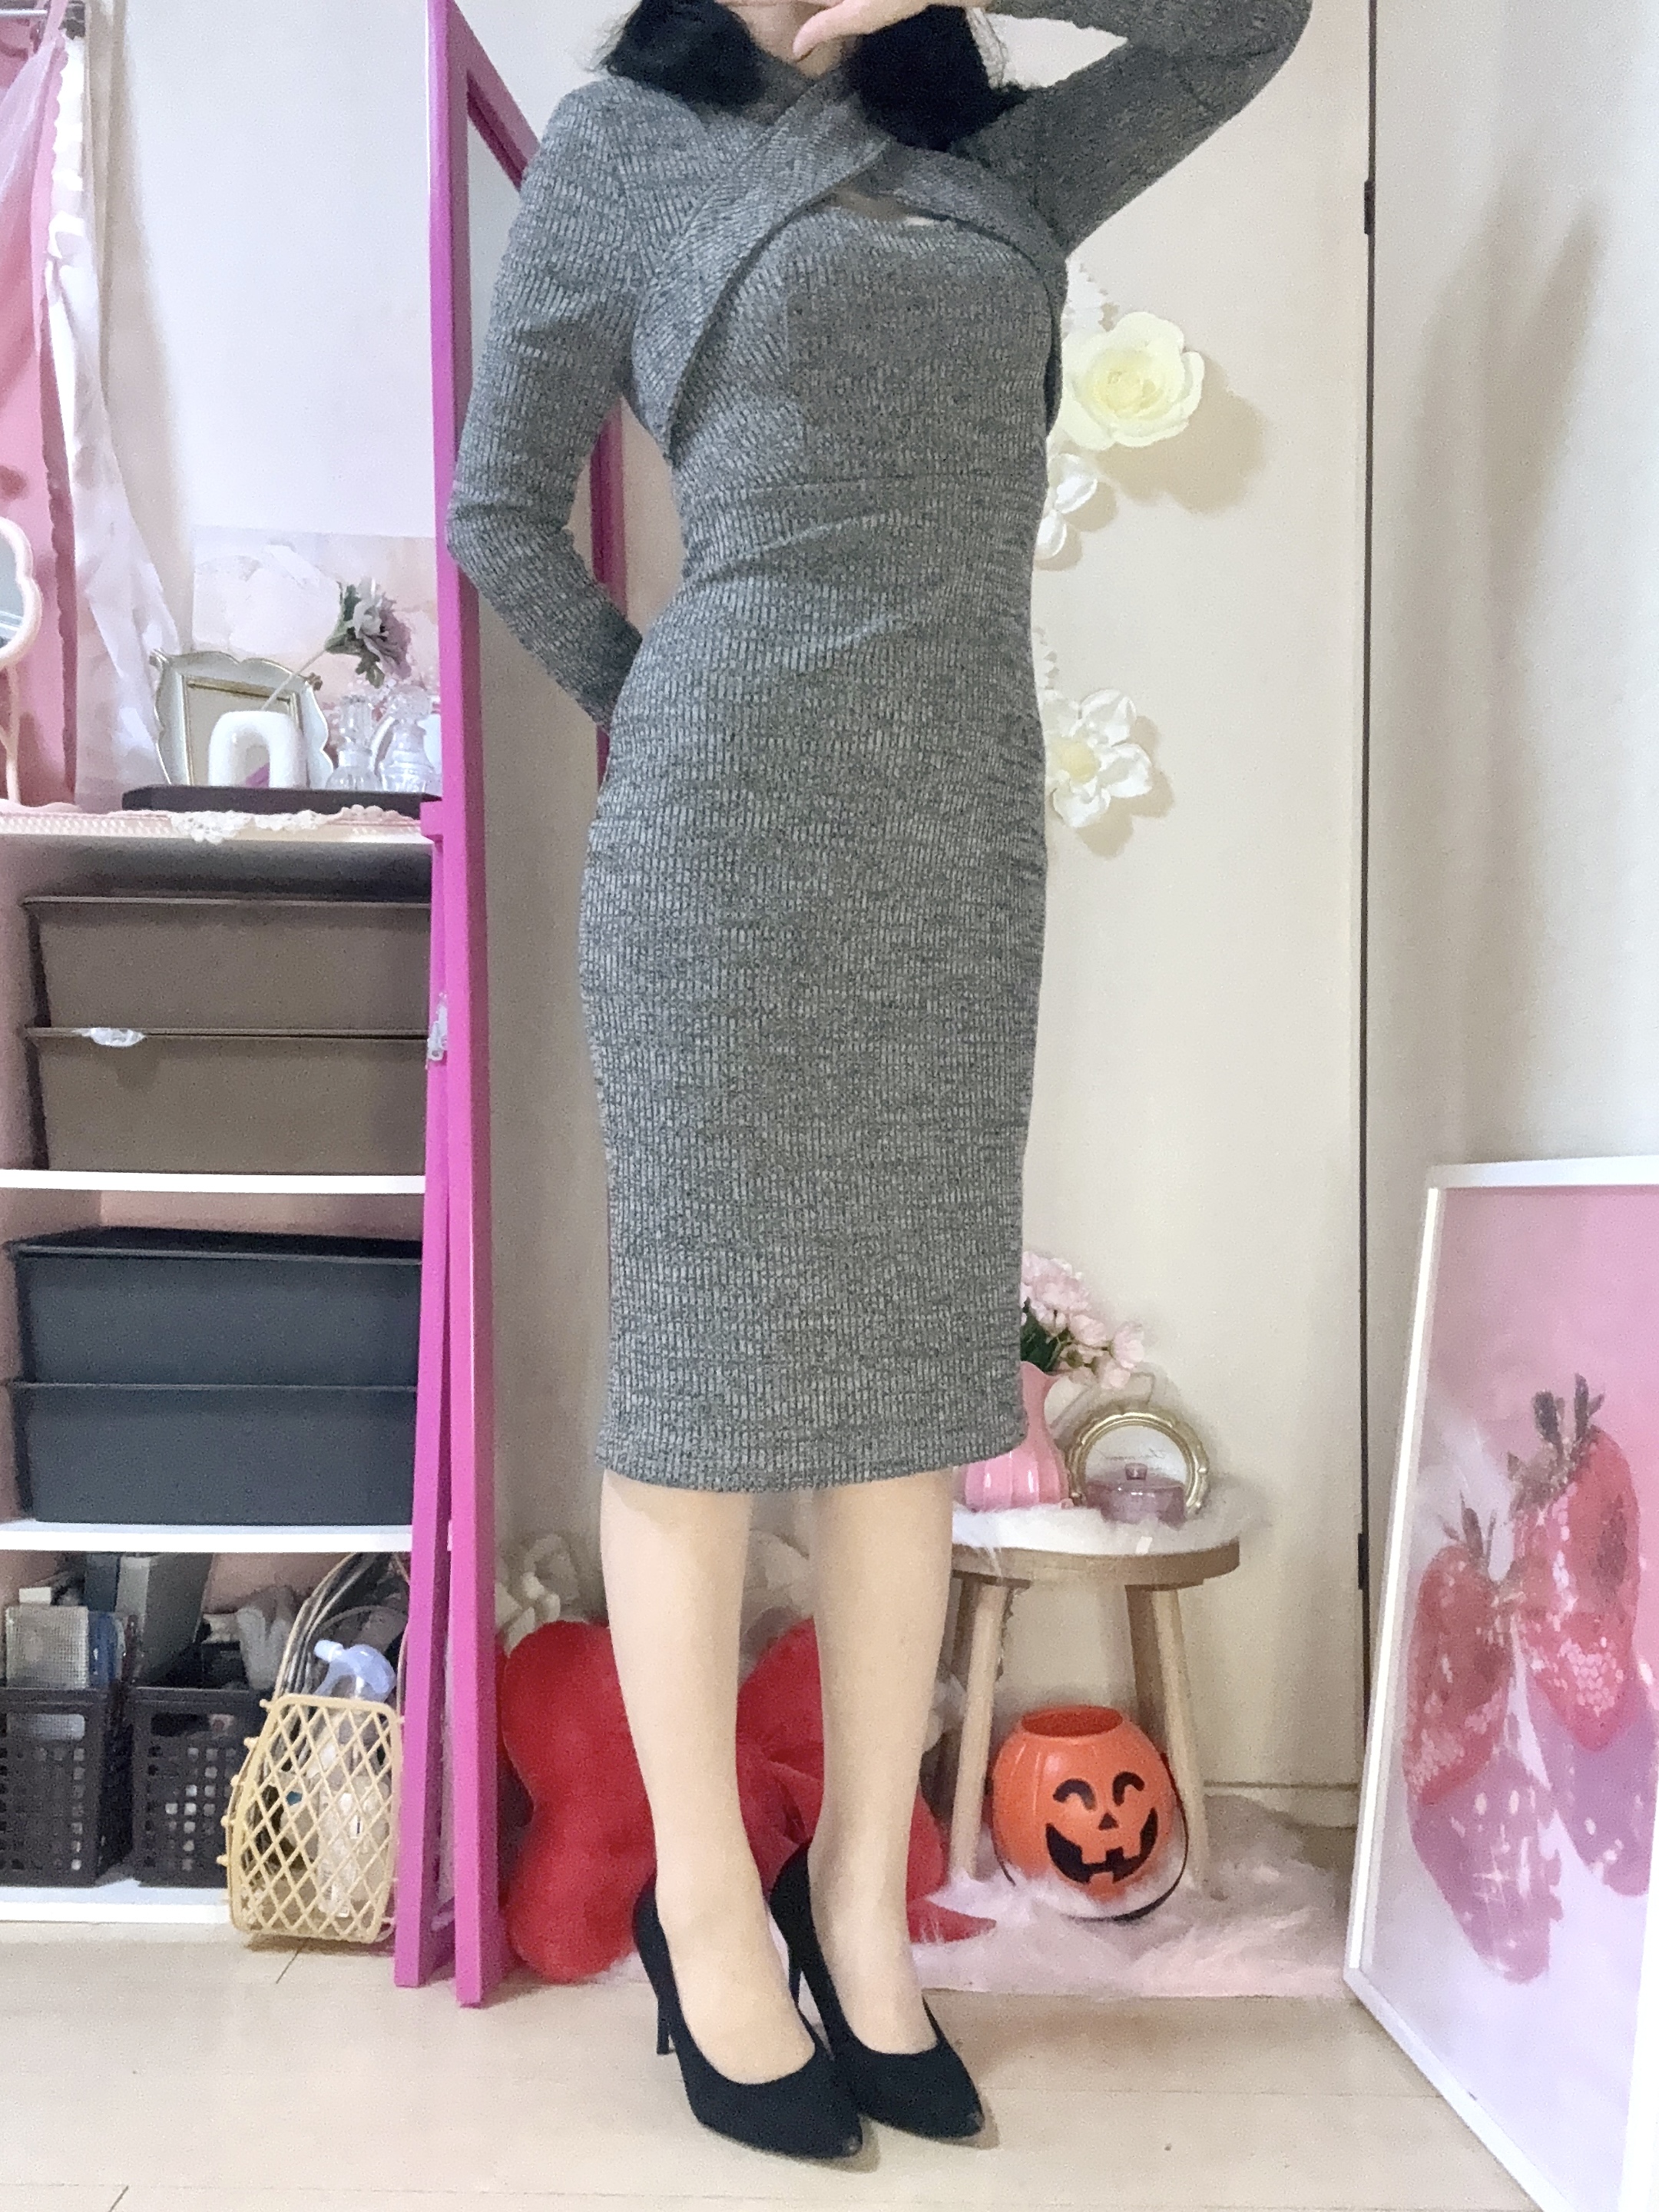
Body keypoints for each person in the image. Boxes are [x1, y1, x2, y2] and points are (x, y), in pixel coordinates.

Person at [449, 0, 1310, 2163]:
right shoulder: (626, 143)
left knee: (916, 1378)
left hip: (950, 840)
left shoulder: (993, 153)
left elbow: (1250, 28)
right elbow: (497, 507)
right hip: (724, 834)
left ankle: (858, 1897)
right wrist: (668, 696)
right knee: (705, 1379)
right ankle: (709, 1918)